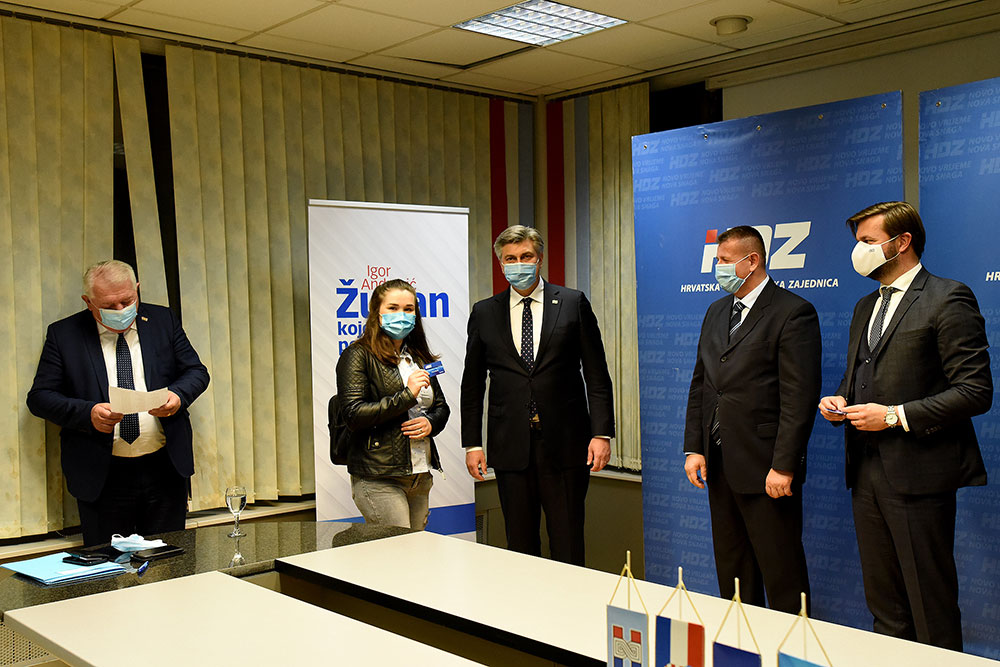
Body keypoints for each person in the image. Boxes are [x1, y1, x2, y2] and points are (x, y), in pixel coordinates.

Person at [819, 201, 991, 651]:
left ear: (902, 242)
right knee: (885, 605)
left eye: (868, 241)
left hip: (920, 476)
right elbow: (861, 376)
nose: (859, 251)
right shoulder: (865, 306)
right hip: (865, 473)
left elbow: (975, 391)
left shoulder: (948, 297)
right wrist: (839, 400)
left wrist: (894, 415)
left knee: (929, 606)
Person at [683, 225, 821, 614]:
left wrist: (784, 465)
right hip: (720, 464)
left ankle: (792, 643)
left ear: (752, 261)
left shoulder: (793, 312)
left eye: (725, 261)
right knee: (733, 570)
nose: (718, 268)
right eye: (717, 260)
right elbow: (702, 385)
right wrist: (695, 448)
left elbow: (799, 398)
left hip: (766, 469)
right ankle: (740, 641)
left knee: (781, 572)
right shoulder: (715, 311)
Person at [26, 260, 210, 547]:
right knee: (109, 565)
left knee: (168, 562)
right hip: (102, 474)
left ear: (137, 289)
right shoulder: (65, 334)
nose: (121, 310)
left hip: (164, 468)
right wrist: (87, 413)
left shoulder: (162, 320)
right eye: (109, 306)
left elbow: (196, 372)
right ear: (88, 302)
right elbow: (40, 397)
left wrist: (177, 396)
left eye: (127, 300)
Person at [461, 225, 615, 566]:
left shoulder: (572, 303)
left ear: (540, 259)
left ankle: (569, 599)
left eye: (526, 256)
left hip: (566, 444)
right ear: (501, 263)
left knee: (568, 542)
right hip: (510, 445)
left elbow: (597, 375)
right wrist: (472, 444)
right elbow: (472, 384)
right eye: (510, 258)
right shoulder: (484, 312)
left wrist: (601, 433)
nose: (519, 264)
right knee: (520, 544)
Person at [336, 279, 450, 529]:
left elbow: (441, 407)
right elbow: (353, 414)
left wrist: (431, 423)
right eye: (393, 308)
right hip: (379, 476)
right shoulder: (357, 355)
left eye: (408, 309)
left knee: (416, 548)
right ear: (377, 313)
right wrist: (407, 395)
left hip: (419, 474)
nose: (402, 315)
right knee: (398, 549)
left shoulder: (417, 356)